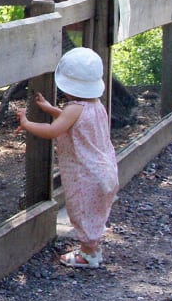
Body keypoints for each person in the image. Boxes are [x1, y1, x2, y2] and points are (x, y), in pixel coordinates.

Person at [15, 47, 119, 268]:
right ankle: (93, 250)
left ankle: (87, 256)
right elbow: (71, 121)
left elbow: (53, 130)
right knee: (94, 213)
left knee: (81, 211)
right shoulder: (95, 105)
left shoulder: (74, 108)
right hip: (104, 170)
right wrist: (49, 108)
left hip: (85, 174)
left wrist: (27, 123)